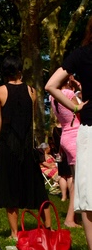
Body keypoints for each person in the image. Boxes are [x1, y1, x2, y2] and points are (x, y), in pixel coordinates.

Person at [45, 16, 92, 250]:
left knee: (85, 189)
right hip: (81, 132)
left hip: (83, 130)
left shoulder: (81, 55)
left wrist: (76, 106)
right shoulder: (73, 82)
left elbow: (50, 85)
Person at [0, 54, 50, 240]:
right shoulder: (32, 91)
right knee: (36, 186)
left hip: (8, 145)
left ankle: (14, 233)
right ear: (19, 71)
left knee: (10, 188)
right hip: (26, 145)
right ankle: (47, 228)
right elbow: (31, 119)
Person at [49, 77, 81, 226]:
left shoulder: (52, 96)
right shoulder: (68, 93)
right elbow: (80, 111)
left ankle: (75, 216)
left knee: (76, 179)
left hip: (66, 135)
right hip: (76, 135)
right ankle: (70, 218)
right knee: (78, 181)